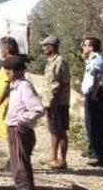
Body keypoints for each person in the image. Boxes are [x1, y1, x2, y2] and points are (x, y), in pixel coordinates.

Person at [3, 55, 45, 190]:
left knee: (20, 164)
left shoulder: (24, 86)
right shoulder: (14, 86)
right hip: (14, 128)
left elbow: (38, 109)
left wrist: (21, 120)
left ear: (18, 71)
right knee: (18, 163)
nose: (7, 74)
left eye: (9, 71)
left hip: (19, 130)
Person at [81, 36, 103, 167]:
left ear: (91, 47)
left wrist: (93, 94)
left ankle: (101, 157)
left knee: (95, 127)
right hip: (100, 94)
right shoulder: (96, 59)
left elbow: (97, 75)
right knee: (97, 127)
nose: (82, 47)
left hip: (98, 96)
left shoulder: (96, 59)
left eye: (84, 45)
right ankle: (101, 157)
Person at [0, 36, 20, 172]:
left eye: (1, 48)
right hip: (7, 103)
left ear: (7, 48)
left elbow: (7, 87)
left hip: (9, 103)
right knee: (11, 134)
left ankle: (14, 162)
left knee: (12, 134)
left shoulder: (10, 64)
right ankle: (14, 160)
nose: (0, 51)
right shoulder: (10, 62)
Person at [41, 35, 71, 170]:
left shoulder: (60, 61)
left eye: (44, 46)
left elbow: (61, 84)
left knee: (61, 131)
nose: (43, 48)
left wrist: (54, 102)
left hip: (59, 103)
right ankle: (53, 157)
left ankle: (63, 161)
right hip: (51, 102)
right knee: (53, 131)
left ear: (51, 47)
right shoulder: (51, 61)